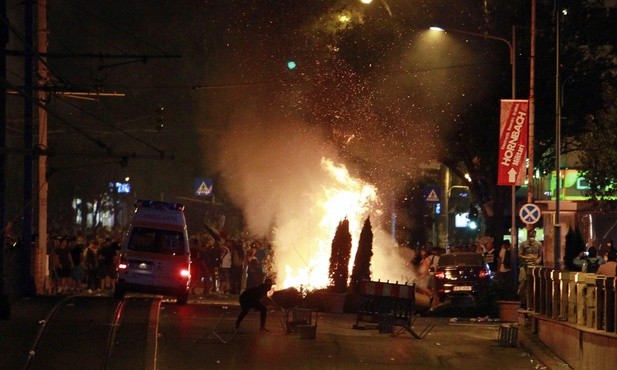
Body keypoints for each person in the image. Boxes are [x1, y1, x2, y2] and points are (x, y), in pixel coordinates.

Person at [518, 229, 542, 306]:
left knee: (533, 284)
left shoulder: (538, 244)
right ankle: (522, 299)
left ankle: (531, 303)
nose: (532, 237)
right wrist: (527, 257)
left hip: (534, 266)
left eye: (533, 236)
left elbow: (540, 255)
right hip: (525, 265)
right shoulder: (523, 244)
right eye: (531, 236)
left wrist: (538, 260)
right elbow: (519, 255)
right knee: (523, 281)